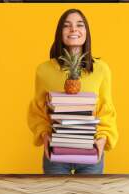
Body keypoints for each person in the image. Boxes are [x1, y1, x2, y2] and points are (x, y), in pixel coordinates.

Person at [27, 9, 118, 174]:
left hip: (91, 149)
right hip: (56, 150)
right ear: (59, 32)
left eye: (79, 25)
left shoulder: (101, 69)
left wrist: (103, 139)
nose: (73, 29)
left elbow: (107, 109)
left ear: (86, 32)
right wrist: (45, 135)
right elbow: (38, 110)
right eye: (66, 26)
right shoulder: (44, 70)